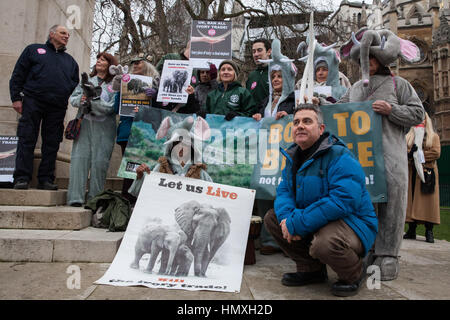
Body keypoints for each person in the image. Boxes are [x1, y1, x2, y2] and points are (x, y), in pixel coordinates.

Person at [329, 28, 425, 281]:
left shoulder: (399, 84)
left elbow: (417, 113)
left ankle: (389, 254)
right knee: (366, 205)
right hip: (363, 159)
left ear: (380, 60)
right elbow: (338, 112)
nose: (367, 64)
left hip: (391, 157)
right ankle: (369, 249)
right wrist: (320, 106)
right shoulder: (356, 90)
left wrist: (391, 109)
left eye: (370, 59)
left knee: (392, 204)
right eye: (363, 60)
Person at [264, 105, 377, 297]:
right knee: (273, 219)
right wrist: (288, 220)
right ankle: (311, 270)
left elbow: (343, 200)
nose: (300, 126)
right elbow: (284, 192)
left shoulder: (339, 155)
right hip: (320, 220)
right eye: (296, 122)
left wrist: (298, 222)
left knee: (324, 243)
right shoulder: (293, 156)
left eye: (307, 121)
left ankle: (355, 273)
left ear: (321, 129)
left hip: (353, 223)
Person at [9, 24, 79, 190]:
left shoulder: (70, 61)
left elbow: (74, 83)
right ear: (51, 34)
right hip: (32, 101)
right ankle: (22, 177)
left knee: (52, 142)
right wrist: (16, 98)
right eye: (63, 33)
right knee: (27, 138)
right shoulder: (33, 50)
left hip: (57, 106)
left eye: (68, 34)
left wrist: (63, 94)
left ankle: (46, 178)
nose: (66, 36)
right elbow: (18, 75)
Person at [251, 39, 296, 255]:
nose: (276, 79)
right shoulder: (264, 102)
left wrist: (289, 117)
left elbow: (303, 120)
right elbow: (257, 121)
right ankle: (268, 239)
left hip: (286, 154)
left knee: (282, 194)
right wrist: (258, 117)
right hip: (265, 154)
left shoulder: (294, 100)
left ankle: (285, 238)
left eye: (280, 76)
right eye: (273, 77)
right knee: (263, 191)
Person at [67, 52, 119, 207]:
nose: (99, 61)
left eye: (103, 60)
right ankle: (75, 198)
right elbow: (73, 98)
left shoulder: (114, 85)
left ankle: (94, 198)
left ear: (110, 64)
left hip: (105, 128)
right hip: (84, 125)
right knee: (79, 160)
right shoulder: (87, 80)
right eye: (98, 59)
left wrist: (94, 101)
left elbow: (112, 107)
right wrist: (82, 99)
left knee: (99, 163)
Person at [113, 53, 160, 205]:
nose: (135, 65)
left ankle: (141, 204)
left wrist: (155, 97)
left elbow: (162, 111)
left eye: (139, 62)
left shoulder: (156, 86)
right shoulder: (125, 83)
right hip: (128, 131)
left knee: (144, 170)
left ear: (147, 65)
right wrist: (121, 93)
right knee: (129, 171)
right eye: (133, 63)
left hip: (146, 133)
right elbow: (116, 109)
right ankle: (125, 205)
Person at [128, 116, 212, 198]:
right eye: (176, 144)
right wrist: (140, 176)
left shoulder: (201, 174)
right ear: (170, 147)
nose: (181, 147)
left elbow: (212, 198)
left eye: (185, 144)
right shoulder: (160, 169)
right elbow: (143, 193)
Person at [404, 113, 441, 243]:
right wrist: (410, 155)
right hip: (411, 173)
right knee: (411, 199)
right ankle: (411, 229)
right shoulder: (408, 137)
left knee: (427, 202)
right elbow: (403, 152)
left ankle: (429, 231)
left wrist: (418, 154)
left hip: (427, 173)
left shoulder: (433, 137)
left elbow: (436, 153)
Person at [246, 39, 272, 108]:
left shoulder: (276, 73)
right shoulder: (251, 76)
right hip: (252, 118)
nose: (256, 54)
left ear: (269, 52)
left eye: (259, 50)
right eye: (254, 51)